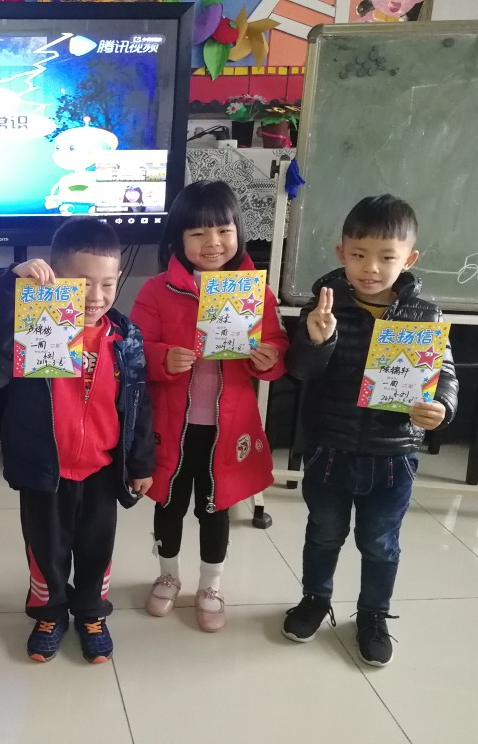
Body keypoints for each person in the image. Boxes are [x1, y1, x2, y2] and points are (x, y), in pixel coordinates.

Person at [281, 195, 458, 666]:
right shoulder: (324, 306)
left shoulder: (426, 315)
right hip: (329, 447)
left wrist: (441, 407)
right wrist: (318, 339)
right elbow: (300, 371)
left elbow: (445, 375)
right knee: (323, 532)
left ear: (409, 259)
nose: (371, 268)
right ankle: (315, 599)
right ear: (341, 253)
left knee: (380, 542)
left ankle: (374, 614)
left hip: (393, 454)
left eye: (386, 257)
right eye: (358, 255)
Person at [0, 217, 155, 664]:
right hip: (45, 468)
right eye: (82, 283)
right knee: (46, 548)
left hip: (102, 469)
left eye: (107, 284)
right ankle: (49, 612)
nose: (95, 296)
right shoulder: (36, 326)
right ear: (55, 276)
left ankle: (92, 612)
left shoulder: (125, 338)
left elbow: (138, 404)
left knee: (97, 547)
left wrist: (141, 463)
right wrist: (12, 278)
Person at [131, 180, 288, 631]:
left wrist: (269, 357)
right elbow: (135, 349)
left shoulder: (256, 293)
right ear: (177, 240)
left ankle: (211, 584)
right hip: (172, 426)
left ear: (238, 231)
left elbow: (276, 345)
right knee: (169, 503)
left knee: (217, 507)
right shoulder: (157, 290)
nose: (213, 242)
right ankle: (168, 575)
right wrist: (163, 357)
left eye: (223, 230)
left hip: (228, 426)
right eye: (197, 233)